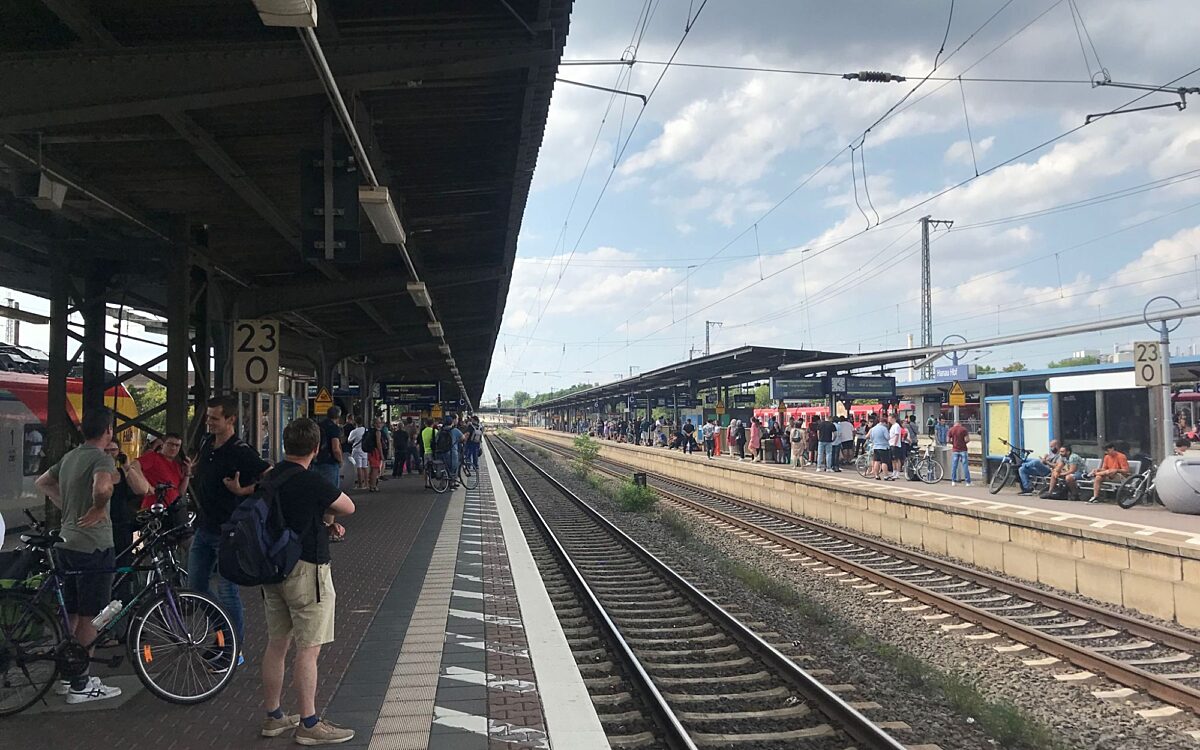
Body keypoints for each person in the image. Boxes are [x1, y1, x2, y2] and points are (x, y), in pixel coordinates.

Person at [259, 418, 356, 744]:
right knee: (308, 649)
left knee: (276, 644)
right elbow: (348, 506)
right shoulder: (311, 481)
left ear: (285, 444)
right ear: (316, 448)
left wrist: (323, 521)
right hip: (306, 570)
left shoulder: (270, 477)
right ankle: (309, 723)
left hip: (272, 570)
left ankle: (274, 716)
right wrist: (328, 516)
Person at [33, 407, 122, 704]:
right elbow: (103, 487)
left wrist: (68, 506)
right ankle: (81, 684)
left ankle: (66, 673)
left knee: (70, 611)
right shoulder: (101, 458)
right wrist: (97, 507)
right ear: (108, 430)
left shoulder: (70, 457)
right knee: (91, 615)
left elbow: (42, 482)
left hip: (66, 543)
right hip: (93, 545)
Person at [189, 395, 270, 650]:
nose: (209, 422)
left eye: (215, 418)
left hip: (228, 531)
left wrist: (243, 490)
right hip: (204, 526)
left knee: (227, 591)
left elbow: (269, 477)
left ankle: (232, 647)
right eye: (208, 417)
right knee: (196, 587)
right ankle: (223, 633)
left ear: (231, 419)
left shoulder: (241, 451)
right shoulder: (207, 442)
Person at [135, 432, 190, 510]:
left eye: (177, 445)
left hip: (172, 509)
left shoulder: (176, 465)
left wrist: (187, 474)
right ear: (162, 444)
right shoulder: (153, 457)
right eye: (170, 444)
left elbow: (180, 492)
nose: (173, 448)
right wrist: (147, 486)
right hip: (154, 509)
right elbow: (134, 466)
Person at [312, 407, 343, 490]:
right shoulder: (334, 428)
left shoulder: (318, 426)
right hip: (330, 463)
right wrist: (340, 460)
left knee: (318, 489)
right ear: (338, 416)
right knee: (331, 491)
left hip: (316, 461)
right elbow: (335, 449)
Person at [361, 418, 384, 492]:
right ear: (375, 424)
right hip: (375, 451)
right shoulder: (377, 432)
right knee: (375, 469)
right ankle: (373, 486)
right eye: (378, 423)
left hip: (370, 451)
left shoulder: (369, 431)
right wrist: (381, 454)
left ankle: (371, 485)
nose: (379, 424)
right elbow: (378, 443)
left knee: (371, 468)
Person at [947, 419, 971, 486]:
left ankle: (953, 481)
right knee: (965, 466)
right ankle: (968, 482)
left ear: (954, 424)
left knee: (954, 466)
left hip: (955, 450)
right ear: (960, 424)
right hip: (963, 449)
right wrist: (963, 443)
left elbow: (948, 440)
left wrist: (953, 443)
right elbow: (967, 440)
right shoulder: (964, 429)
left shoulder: (951, 430)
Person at [345, 419, 368, 490]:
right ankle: (366, 483)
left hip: (357, 450)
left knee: (359, 467)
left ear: (355, 423)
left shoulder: (354, 431)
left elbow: (349, 440)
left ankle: (360, 485)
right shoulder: (366, 430)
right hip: (365, 450)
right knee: (365, 467)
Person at [887, 413, 905, 480]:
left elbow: (897, 435)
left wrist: (895, 443)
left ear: (893, 418)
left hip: (895, 445)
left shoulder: (896, 426)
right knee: (893, 459)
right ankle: (894, 471)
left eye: (890, 418)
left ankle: (897, 473)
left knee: (896, 459)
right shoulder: (892, 426)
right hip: (891, 444)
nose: (889, 420)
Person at [420, 418, 436, 488]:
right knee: (434, 467)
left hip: (425, 451)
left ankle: (426, 483)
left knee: (426, 468)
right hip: (432, 452)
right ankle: (432, 482)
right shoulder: (435, 431)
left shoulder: (423, 431)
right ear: (433, 423)